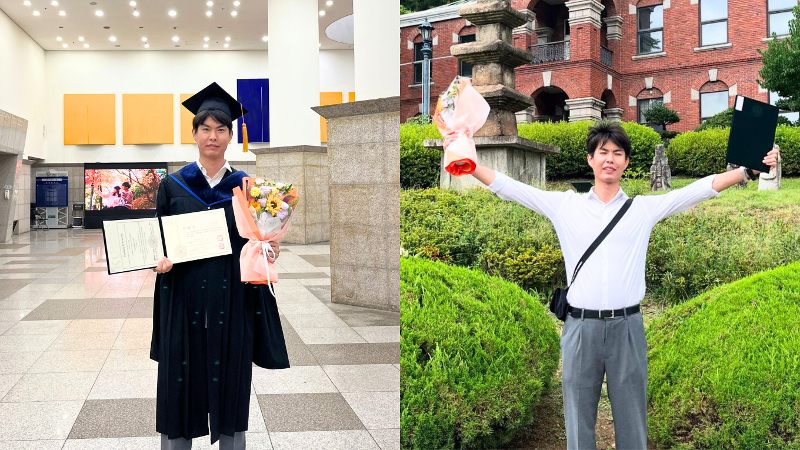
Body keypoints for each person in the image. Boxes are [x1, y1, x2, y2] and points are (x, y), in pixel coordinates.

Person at [468, 120, 779, 450]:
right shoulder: (565, 206)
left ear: (627, 162)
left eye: (618, 153)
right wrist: (469, 164)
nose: (610, 159)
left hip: (628, 328)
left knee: (632, 423)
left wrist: (746, 172)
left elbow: (698, 190)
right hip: (580, 328)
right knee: (577, 421)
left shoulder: (642, 210)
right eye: (603, 152)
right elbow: (511, 188)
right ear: (590, 159)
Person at [150, 82, 289, 450]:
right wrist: (159, 261)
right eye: (206, 128)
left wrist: (269, 250)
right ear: (194, 133)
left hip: (233, 296)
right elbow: (159, 241)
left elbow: (260, 240)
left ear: (231, 135)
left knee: (231, 380)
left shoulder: (248, 187)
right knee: (179, 381)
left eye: (221, 129)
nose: (213, 136)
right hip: (183, 294)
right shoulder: (173, 185)